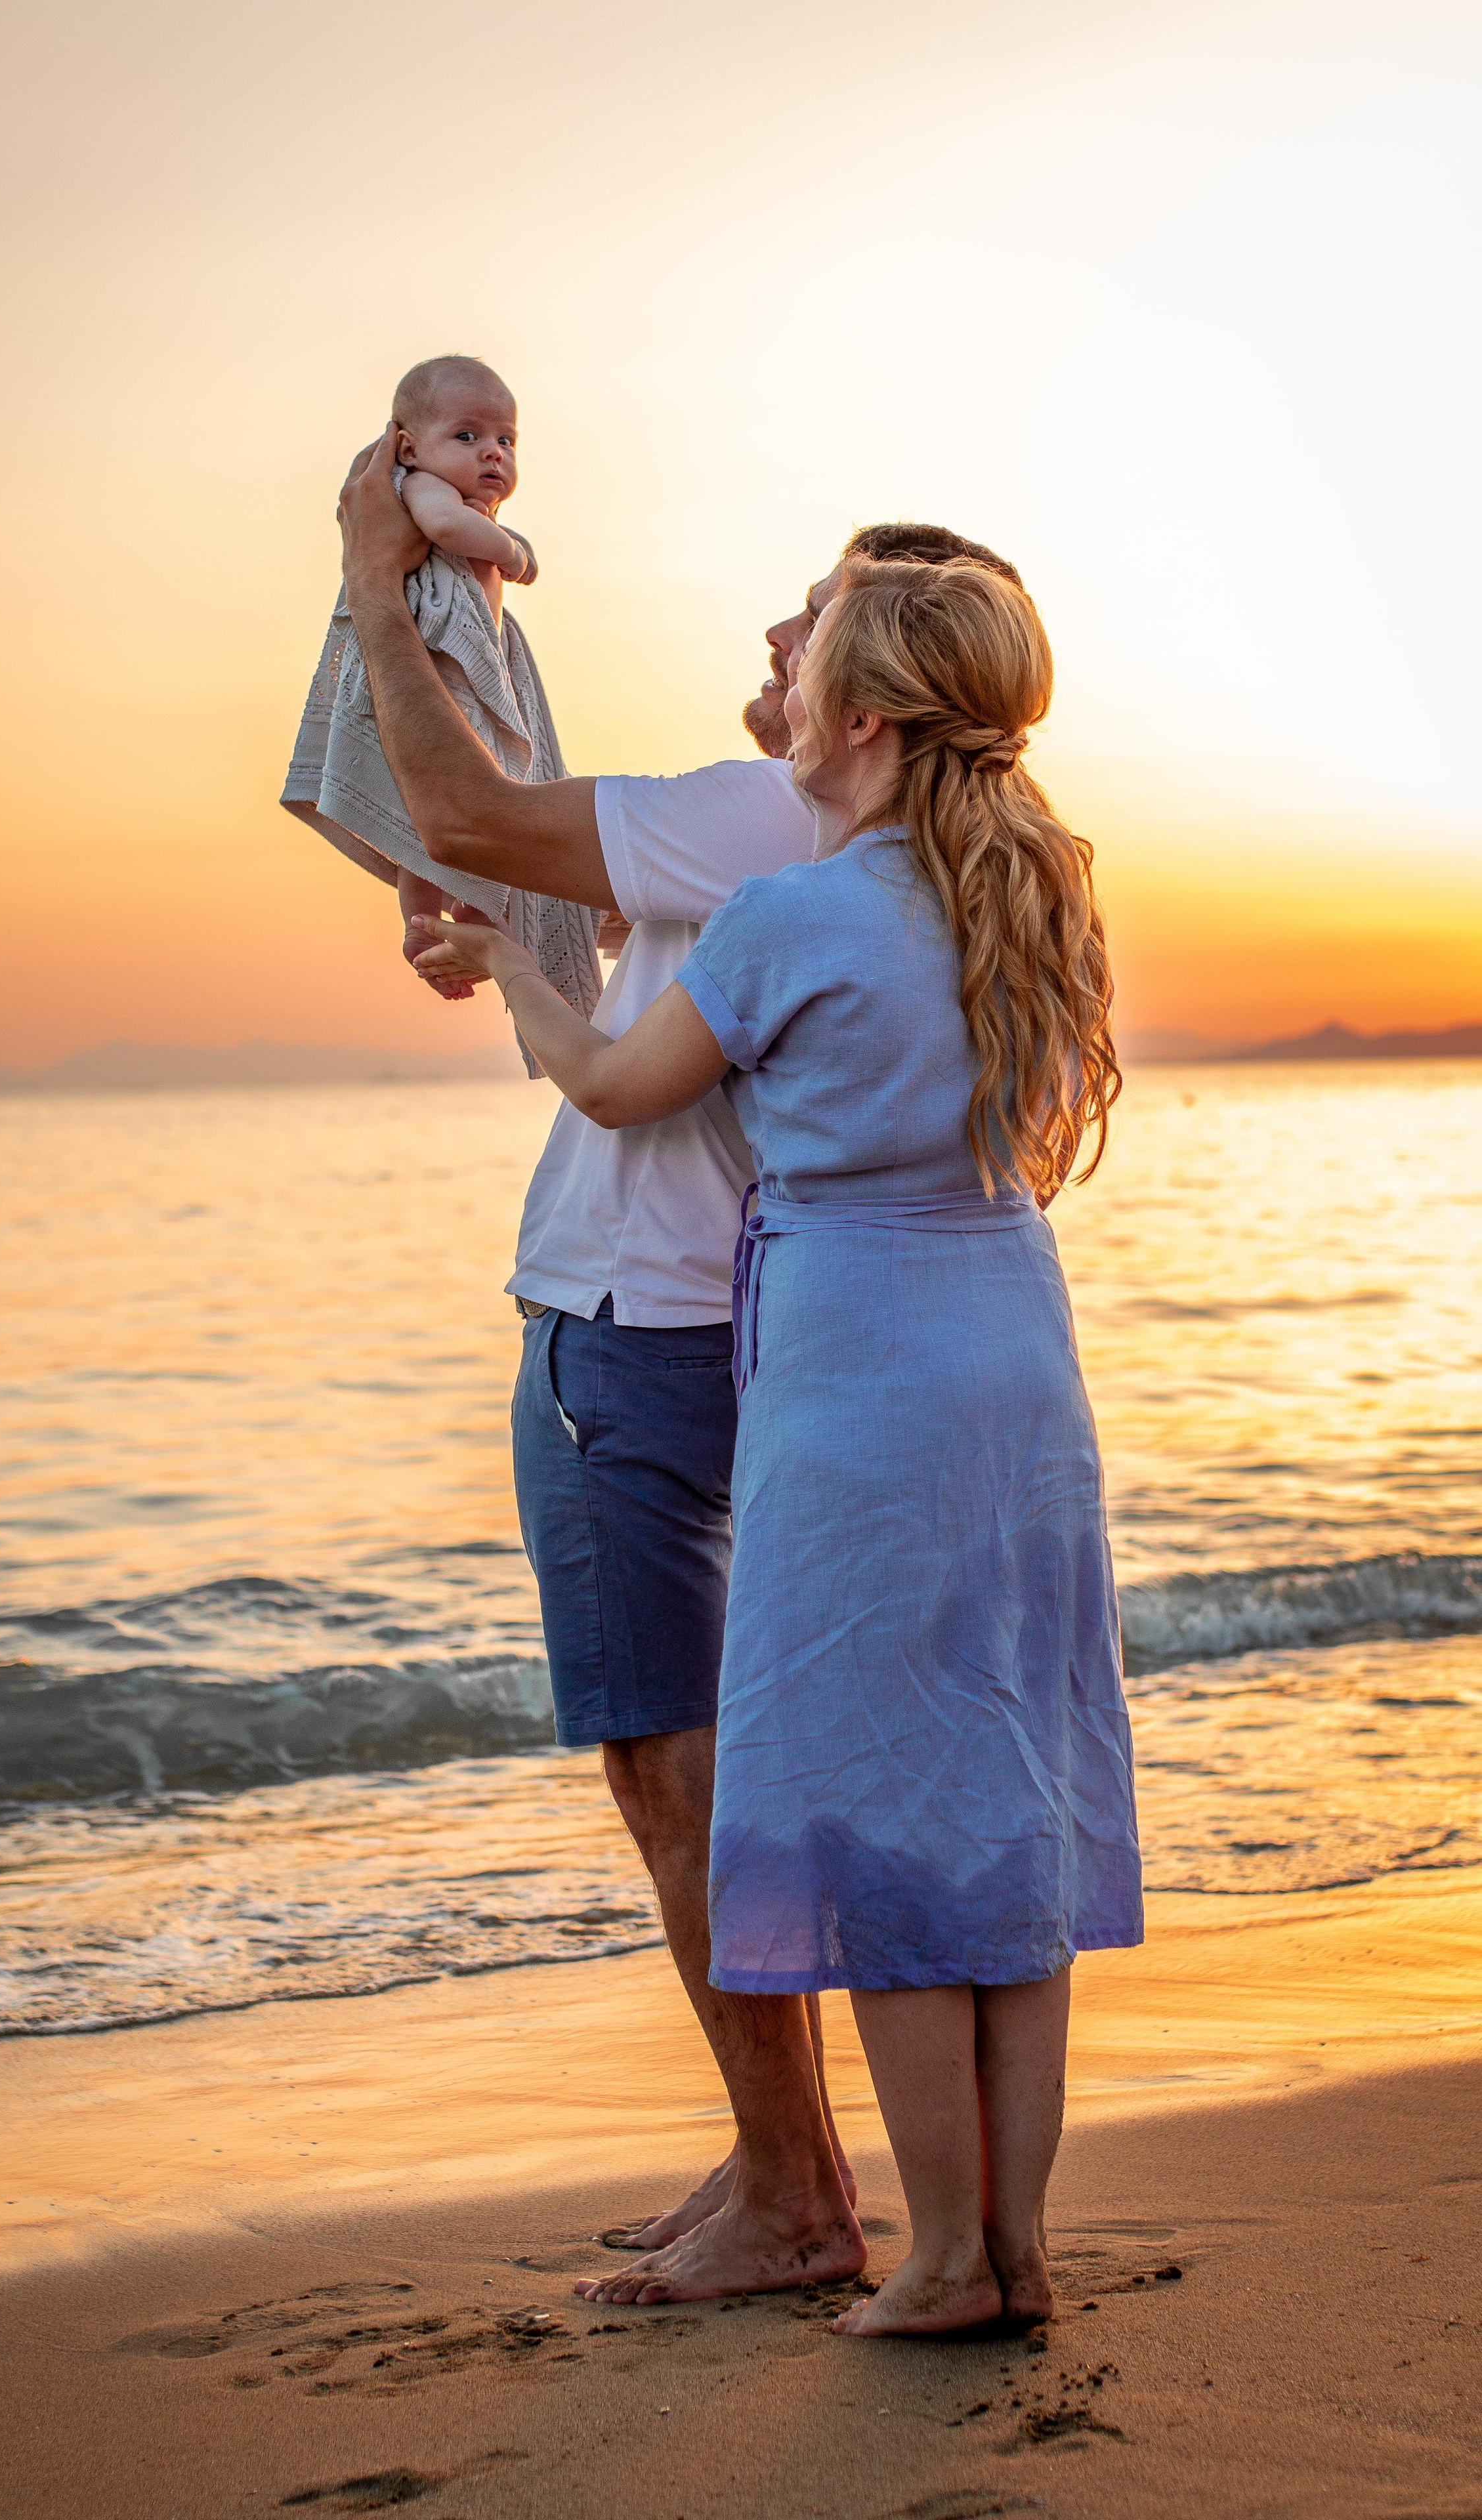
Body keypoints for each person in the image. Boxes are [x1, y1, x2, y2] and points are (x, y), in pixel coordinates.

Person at [412, 554, 1143, 2328]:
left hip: (860, 1366)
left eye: (809, 665)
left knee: (876, 1805)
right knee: (1002, 1797)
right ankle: (1014, 2248)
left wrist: (512, 967)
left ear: (863, 713)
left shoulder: (789, 915)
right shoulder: (1039, 893)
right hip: (1016, 1355)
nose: (783, 684)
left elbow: (616, 1086)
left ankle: (945, 2258)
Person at [282, 362, 602, 1061]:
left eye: (506, 440)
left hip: (455, 678)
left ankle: (459, 922)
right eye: (467, 435)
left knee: (454, 824)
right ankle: (429, 920)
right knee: (431, 820)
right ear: (407, 446)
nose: (493, 453)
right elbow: (445, 528)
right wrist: (512, 551)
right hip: (434, 672)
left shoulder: (464, 497)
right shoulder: (424, 490)